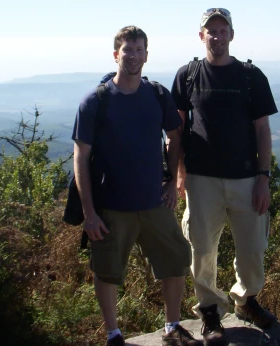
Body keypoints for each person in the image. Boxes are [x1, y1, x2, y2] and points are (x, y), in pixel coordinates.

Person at [73, 26, 201, 346]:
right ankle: (113, 334)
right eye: (126, 50)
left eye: (138, 49)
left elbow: (175, 136)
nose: (133, 55)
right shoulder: (96, 100)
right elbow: (80, 157)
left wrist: (172, 181)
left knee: (175, 260)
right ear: (116, 55)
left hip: (154, 201)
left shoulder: (157, 95)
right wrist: (89, 212)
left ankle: (172, 325)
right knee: (107, 271)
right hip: (113, 206)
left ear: (146, 55)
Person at [171, 9, 279, 346]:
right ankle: (210, 311)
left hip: (246, 178)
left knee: (252, 248)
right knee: (201, 248)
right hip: (201, 179)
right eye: (210, 31)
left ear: (232, 35)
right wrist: (177, 170)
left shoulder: (251, 76)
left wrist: (263, 177)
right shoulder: (187, 75)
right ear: (200, 36)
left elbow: (262, 130)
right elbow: (177, 129)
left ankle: (245, 301)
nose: (216, 36)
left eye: (222, 30)